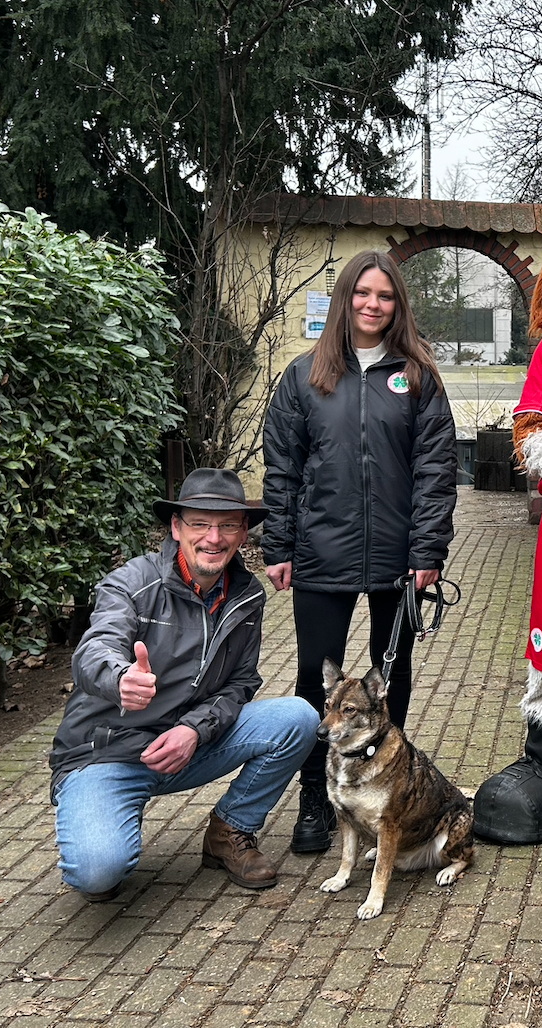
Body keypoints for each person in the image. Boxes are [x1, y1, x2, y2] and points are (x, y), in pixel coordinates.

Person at [261, 250, 457, 855]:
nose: (373, 305)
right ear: (346, 299)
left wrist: (428, 548)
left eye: (386, 296)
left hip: (399, 560)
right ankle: (316, 801)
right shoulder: (304, 376)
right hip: (321, 553)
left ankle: (382, 796)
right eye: (362, 294)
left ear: (398, 305)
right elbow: (282, 468)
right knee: (312, 683)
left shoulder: (417, 376)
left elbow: (436, 469)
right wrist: (279, 544)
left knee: (387, 682)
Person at [51, 469, 319, 900]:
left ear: (243, 534)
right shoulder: (133, 583)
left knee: (298, 718)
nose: (214, 538)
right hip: (108, 753)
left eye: (228, 525)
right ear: (176, 528)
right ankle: (109, 816)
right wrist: (120, 678)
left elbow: (240, 682)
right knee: (98, 873)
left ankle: (230, 831)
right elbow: (92, 650)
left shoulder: (247, 596)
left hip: (186, 744)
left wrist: (194, 729)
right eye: (199, 523)